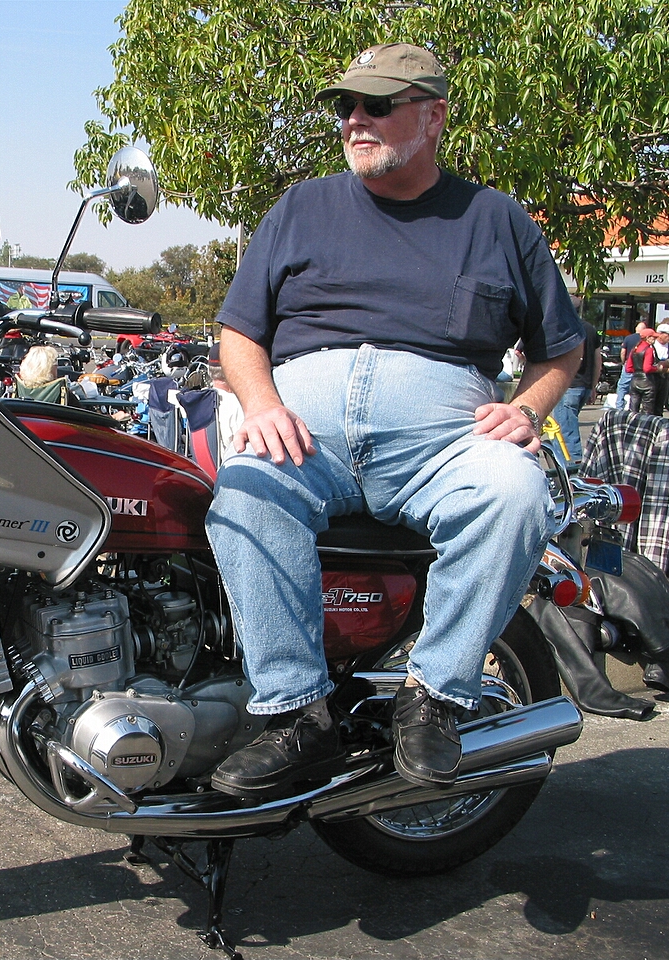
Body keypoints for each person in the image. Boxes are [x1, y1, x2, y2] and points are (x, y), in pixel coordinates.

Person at [204, 43, 584, 798]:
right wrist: (262, 402)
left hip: (442, 447)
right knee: (243, 500)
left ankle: (437, 696)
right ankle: (296, 718)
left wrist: (527, 408)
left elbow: (560, 351)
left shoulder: (498, 221)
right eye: (346, 106)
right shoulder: (302, 207)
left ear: (434, 116)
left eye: (377, 105)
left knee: (516, 492)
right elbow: (240, 335)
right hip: (302, 439)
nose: (354, 120)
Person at [550, 319, 601, 468]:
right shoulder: (590, 329)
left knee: (566, 433)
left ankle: (573, 471)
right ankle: (561, 466)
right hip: (584, 386)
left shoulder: (566, 326)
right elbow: (597, 360)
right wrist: (592, 386)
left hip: (569, 386)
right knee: (564, 429)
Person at [625, 328, 663, 415]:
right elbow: (647, 368)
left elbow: (628, 369)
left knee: (633, 409)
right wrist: (657, 368)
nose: (654, 339)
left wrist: (638, 369)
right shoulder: (649, 350)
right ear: (648, 338)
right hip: (647, 382)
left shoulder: (634, 350)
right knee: (647, 410)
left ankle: (631, 424)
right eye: (653, 337)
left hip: (634, 381)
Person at [616, 321, 647, 410]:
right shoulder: (644, 340)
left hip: (629, 365)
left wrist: (623, 362)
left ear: (636, 329)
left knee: (622, 386)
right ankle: (633, 407)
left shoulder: (628, 338)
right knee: (637, 387)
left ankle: (619, 406)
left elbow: (623, 352)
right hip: (641, 366)